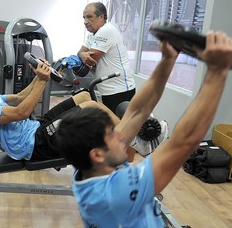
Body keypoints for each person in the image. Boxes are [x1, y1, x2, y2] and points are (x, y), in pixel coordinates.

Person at [55, 31, 232, 227]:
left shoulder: (89, 167)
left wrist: (167, 59)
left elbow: (138, 111)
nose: (120, 135)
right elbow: (185, 140)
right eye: (111, 135)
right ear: (97, 154)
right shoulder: (116, 193)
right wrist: (217, 71)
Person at [0, 60, 124, 161]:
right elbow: (21, 112)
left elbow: (19, 97)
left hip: (35, 128)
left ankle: (126, 133)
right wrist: (42, 81)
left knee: (84, 96)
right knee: (92, 108)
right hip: (33, 145)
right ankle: (129, 142)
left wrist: (38, 75)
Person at [77, 2, 136, 114]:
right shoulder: (92, 34)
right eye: (84, 18)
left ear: (101, 17)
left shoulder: (106, 30)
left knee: (121, 127)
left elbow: (90, 61)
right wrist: (82, 54)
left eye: (89, 17)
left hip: (120, 90)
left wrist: (84, 55)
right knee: (111, 126)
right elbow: (81, 52)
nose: (85, 22)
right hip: (107, 90)